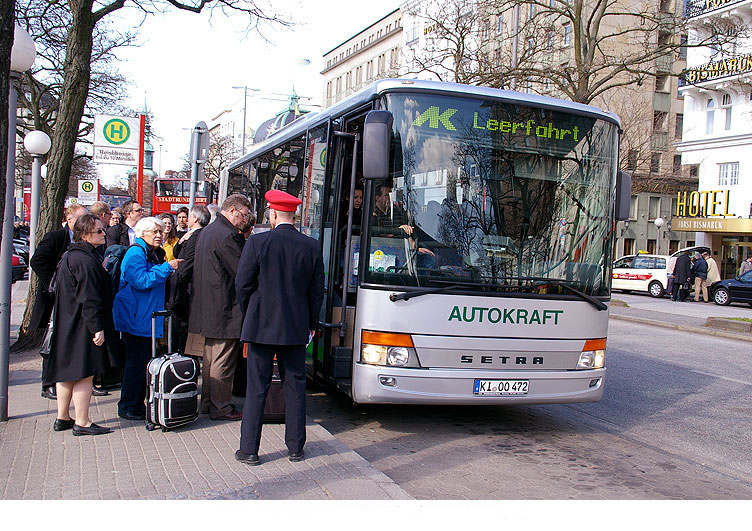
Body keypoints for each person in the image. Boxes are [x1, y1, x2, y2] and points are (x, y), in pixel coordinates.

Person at [235, 189, 324, 466]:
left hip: (261, 325)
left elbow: (242, 284)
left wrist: (249, 313)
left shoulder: (257, 243)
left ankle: (249, 450)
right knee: (295, 387)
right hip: (295, 327)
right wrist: (310, 324)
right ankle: (296, 448)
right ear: (293, 215)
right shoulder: (312, 246)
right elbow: (316, 291)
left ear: (272, 213)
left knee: (257, 388)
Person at [47, 214, 116, 436]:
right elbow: (90, 297)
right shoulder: (85, 260)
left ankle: (63, 416)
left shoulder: (70, 255)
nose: (103, 234)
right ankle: (83, 421)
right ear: (85, 234)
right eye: (98, 231)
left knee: (67, 371)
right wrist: (97, 328)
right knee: (85, 373)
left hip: (68, 321)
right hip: (82, 324)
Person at [112, 217, 182, 420]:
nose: (159, 235)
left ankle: (135, 403)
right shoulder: (135, 253)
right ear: (142, 233)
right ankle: (128, 405)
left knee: (141, 362)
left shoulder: (149, 252)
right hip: (137, 317)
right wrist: (168, 267)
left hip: (144, 316)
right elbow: (141, 280)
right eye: (155, 232)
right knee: (136, 363)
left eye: (160, 232)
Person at [188, 194, 250, 421]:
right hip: (224, 307)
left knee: (210, 358)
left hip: (208, 306)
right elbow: (241, 273)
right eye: (243, 215)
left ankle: (207, 402)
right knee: (223, 359)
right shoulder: (227, 235)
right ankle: (221, 407)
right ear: (233, 210)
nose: (245, 220)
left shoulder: (209, 231)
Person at [30, 203, 88, 400]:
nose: (84, 223)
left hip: (74, 299)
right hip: (55, 299)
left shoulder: (84, 239)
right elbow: (37, 261)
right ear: (70, 220)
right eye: (81, 219)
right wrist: (54, 284)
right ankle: (48, 383)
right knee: (52, 340)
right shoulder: (56, 237)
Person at [169, 205, 210, 354]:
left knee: (181, 328)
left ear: (196, 219)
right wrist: (181, 242)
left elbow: (188, 261)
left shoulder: (196, 236)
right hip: (185, 286)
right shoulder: (191, 235)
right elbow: (177, 252)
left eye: (190, 216)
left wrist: (177, 281)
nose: (188, 219)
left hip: (185, 289)